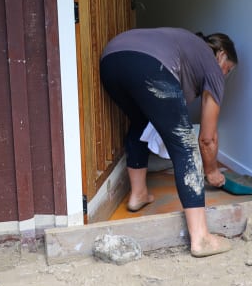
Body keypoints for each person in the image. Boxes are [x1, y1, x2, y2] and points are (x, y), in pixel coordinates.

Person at [99, 27, 238, 258]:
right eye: (229, 69)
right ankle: (201, 238)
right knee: (184, 143)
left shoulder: (186, 47)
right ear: (221, 55)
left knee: (141, 122)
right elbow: (207, 138)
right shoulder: (212, 65)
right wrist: (212, 170)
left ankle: (138, 195)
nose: (224, 74)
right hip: (150, 64)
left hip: (111, 60)